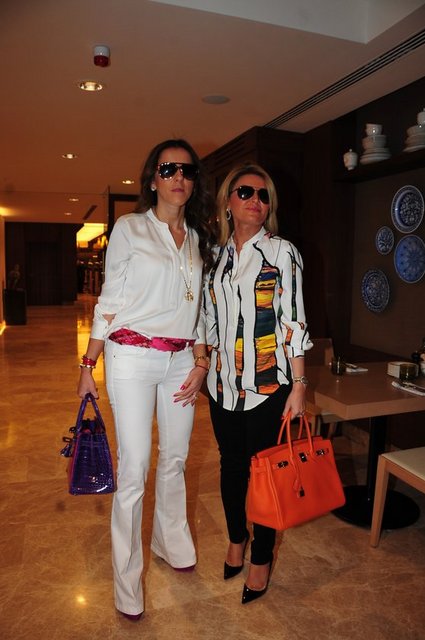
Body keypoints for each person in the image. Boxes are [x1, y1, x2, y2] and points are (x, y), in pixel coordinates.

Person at [77, 139, 214, 621]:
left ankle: (169, 541)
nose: (178, 177)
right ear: (153, 178)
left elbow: (199, 307)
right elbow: (110, 299)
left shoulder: (197, 238)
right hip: (132, 357)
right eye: (168, 168)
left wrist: (201, 361)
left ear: (194, 182)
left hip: (180, 362)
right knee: (134, 469)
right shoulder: (130, 228)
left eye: (187, 170)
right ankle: (127, 583)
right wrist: (87, 365)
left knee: (175, 458)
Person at [202, 163, 312, 604]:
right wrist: (201, 363)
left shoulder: (282, 252)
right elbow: (208, 319)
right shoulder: (214, 256)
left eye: (264, 196)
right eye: (246, 192)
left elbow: (294, 321)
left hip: (269, 386)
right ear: (228, 201)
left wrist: (299, 385)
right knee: (231, 466)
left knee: (266, 476)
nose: (255, 201)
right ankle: (236, 539)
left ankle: (262, 558)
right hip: (222, 386)